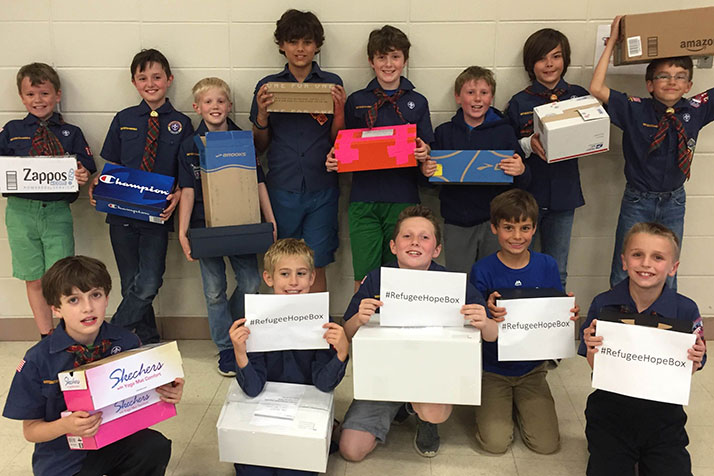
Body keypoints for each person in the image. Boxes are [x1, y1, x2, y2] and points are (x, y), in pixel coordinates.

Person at [338, 205, 496, 460]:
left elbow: (492, 335)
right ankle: (401, 404)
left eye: (424, 237)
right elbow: (346, 333)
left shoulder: (452, 283)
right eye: (407, 236)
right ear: (393, 246)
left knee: (435, 411)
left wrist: (485, 322)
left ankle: (422, 416)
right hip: (384, 376)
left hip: (430, 374)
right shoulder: (376, 279)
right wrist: (358, 318)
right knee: (351, 450)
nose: (415, 242)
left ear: (436, 249)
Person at [2, 255, 184, 476]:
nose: (88, 308)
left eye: (95, 295)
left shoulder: (126, 342)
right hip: (64, 456)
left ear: (106, 298)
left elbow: (144, 397)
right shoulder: (37, 360)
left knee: (154, 446)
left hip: (115, 440)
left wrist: (167, 390)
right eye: (73, 300)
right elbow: (30, 431)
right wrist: (66, 426)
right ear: (56, 309)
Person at [590, 16, 714, 289]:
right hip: (638, 200)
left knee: (667, 268)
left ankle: (665, 315)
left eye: (680, 77)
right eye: (663, 76)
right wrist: (612, 43)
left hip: (674, 201)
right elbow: (596, 88)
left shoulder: (695, 109)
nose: (672, 82)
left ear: (689, 85)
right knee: (625, 266)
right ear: (650, 84)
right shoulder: (635, 108)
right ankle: (619, 313)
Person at [579, 222, 706, 475]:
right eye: (637, 254)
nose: (646, 264)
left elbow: (689, 368)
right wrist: (592, 351)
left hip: (664, 417)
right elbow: (597, 367)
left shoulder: (686, 310)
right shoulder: (604, 304)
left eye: (658, 257)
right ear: (624, 262)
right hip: (611, 413)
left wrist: (694, 360)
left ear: (673, 268)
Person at [91, 48, 194, 343]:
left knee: (149, 281)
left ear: (169, 80)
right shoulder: (123, 118)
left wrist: (177, 194)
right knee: (130, 284)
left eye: (157, 77)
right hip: (121, 215)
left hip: (156, 215)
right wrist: (99, 182)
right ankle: (147, 339)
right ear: (134, 82)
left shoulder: (181, 123)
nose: (151, 83)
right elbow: (112, 164)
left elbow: (186, 172)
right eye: (143, 78)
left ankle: (106, 338)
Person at [177, 77, 276, 377]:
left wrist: (270, 219)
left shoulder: (243, 141)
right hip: (203, 227)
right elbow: (187, 190)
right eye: (208, 101)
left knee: (250, 283)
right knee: (214, 290)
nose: (215, 106)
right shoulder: (189, 145)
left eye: (220, 101)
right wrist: (182, 231)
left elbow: (258, 181)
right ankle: (225, 347)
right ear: (197, 107)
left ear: (229, 105)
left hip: (241, 223)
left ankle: (235, 330)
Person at [470, 189, 578, 454]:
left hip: (532, 370)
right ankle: (498, 405)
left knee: (546, 446)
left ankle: (521, 406)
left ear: (534, 228)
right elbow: (474, 323)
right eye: (508, 227)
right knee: (495, 444)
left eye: (525, 228)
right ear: (494, 228)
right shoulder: (482, 269)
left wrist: (568, 315)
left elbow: (553, 316)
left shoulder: (547, 265)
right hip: (493, 369)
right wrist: (487, 311)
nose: (517, 236)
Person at [326, 25, 433, 292]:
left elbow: (429, 148)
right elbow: (343, 145)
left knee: (402, 275)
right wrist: (335, 158)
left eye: (395, 57)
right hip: (364, 199)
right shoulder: (357, 101)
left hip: (403, 198)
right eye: (381, 57)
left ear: (405, 60)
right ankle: (363, 318)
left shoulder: (418, 101)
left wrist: (424, 152)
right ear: (371, 61)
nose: (388, 64)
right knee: (365, 277)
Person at [229, 238, 348, 476]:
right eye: (284, 274)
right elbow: (252, 388)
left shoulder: (323, 324)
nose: (293, 282)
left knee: (293, 472)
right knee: (254, 472)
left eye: (301, 273)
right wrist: (240, 353)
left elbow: (324, 384)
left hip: (306, 407)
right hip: (264, 406)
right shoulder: (254, 323)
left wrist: (342, 353)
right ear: (269, 278)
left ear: (312, 278)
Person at [251, 9, 346, 293]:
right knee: (281, 263)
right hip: (282, 187)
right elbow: (259, 146)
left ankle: (317, 322)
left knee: (316, 263)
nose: (300, 48)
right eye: (293, 42)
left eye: (307, 42)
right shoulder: (268, 87)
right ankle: (284, 321)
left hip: (322, 187)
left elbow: (339, 143)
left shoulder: (331, 84)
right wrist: (262, 115)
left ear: (317, 45)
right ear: (282, 45)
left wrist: (339, 112)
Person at [0, 62, 96, 337]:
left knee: (62, 277)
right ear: (21, 97)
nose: (38, 100)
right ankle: (46, 336)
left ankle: (68, 334)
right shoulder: (12, 130)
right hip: (20, 213)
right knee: (33, 278)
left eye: (44, 93)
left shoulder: (71, 132)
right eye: (30, 94)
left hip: (56, 212)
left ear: (57, 95)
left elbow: (87, 165)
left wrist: (82, 173)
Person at [421, 66, 529, 274]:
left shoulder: (505, 132)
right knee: (459, 281)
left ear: (492, 97)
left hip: (496, 222)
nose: (477, 99)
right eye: (470, 92)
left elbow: (523, 182)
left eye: (484, 92)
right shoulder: (444, 133)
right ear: (458, 97)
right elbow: (429, 182)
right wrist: (425, 172)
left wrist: (521, 170)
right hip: (457, 222)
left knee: (493, 279)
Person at [505, 29, 589, 288]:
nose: (549, 64)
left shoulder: (579, 97)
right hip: (529, 194)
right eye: (542, 58)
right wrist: (527, 144)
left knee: (557, 269)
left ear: (566, 59)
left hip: (564, 194)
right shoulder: (519, 102)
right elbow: (506, 148)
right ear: (531, 64)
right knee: (519, 265)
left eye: (556, 56)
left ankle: (556, 314)